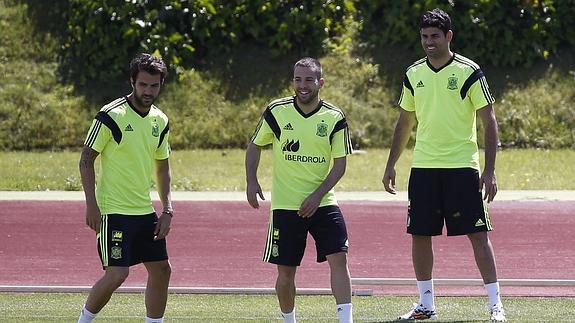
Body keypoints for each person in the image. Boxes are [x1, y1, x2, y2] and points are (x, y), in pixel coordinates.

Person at [381, 8, 506, 322]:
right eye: (424, 37)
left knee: (478, 235)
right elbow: (404, 121)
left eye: (435, 36)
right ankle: (426, 304)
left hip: (462, 167)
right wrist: (391, 163)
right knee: (420, 234)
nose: (429, 42)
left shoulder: (469, 71)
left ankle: (495, 305)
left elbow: (488, 120)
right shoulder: (413, 74)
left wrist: (489, 169)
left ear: (449, 36)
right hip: (423, 167)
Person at [245, 57, 354, 323]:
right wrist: (251, 180)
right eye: (297, 79)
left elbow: (340, 166)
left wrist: (317, 196)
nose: (302, 85)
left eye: (308, 80)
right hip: (286, 206)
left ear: (321, 82)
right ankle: (288, 319)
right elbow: (255, 144)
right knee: (286, 273)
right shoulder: (276, 111)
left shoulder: (333, 117)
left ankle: (346, 320)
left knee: (339, 259)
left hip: (324, 202)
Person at [77, 53, 173, 323]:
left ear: (161, 85)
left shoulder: (159, 120)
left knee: (162, 270)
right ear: (132, 81)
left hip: (144, 212)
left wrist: (167, 210)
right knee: (118, 274)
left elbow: (163, 167)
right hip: (113, 210)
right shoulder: (111, 115)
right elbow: (86, 160)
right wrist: (92, 204)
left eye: (154, 86)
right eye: (143, 84)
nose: (148, 91)